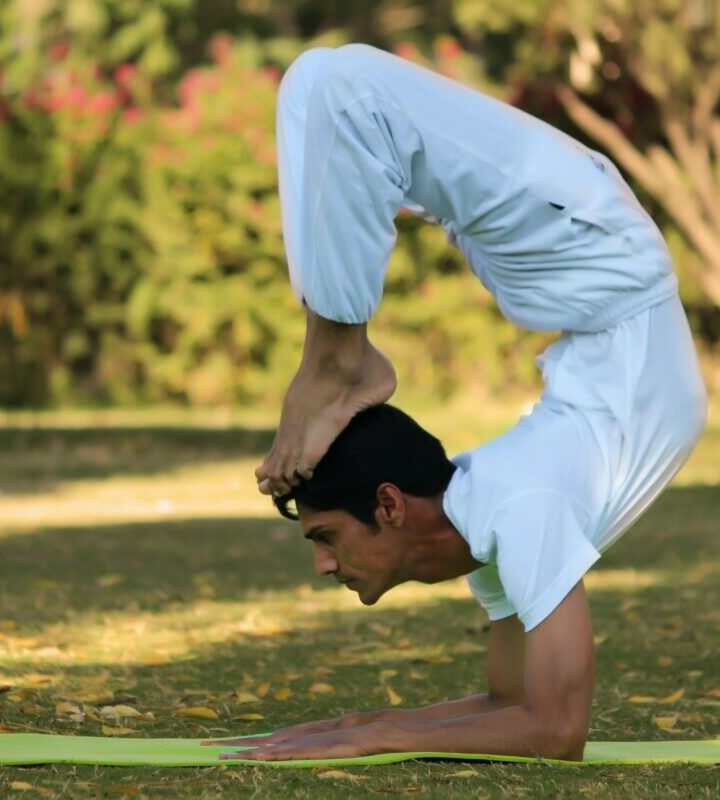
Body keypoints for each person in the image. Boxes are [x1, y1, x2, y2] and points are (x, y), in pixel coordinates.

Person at [224, 44, 707, 761]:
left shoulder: (514, 510)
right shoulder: (501, 523)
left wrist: (376, 734)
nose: (323, 567)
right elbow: (519, 710)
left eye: (323, 537)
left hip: (597, 273)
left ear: (389, 504)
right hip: (593, 277)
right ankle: (338, 355)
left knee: (332, 89)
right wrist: (350, 729)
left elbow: (553, 730)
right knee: (327, 89)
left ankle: (338, 358)